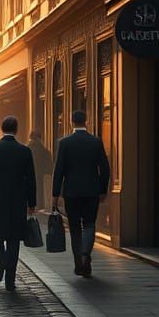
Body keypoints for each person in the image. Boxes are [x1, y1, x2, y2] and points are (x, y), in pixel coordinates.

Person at [0, 116, 37, 292]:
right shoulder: (24, 151)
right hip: (17, 199)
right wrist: (31, 203)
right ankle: (10, 281)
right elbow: (31, 180)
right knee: (13, 239)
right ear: (16, 130)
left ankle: (1, 263)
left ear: (1, 129)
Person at [52, 110, 111, 278]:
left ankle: (78, 260)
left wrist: (55, 195)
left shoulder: (65, 143)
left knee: (75, 227)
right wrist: (103, 190)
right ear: (87, 121)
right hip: (92, 191)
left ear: (71, 122)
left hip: (71, 192)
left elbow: (59, 170)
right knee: (90, 224)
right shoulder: (95, 142)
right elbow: (105, 169)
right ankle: (86, 253)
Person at [28, 130, 54, 205]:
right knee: (40, 202)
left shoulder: (25, 150)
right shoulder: (45, 151)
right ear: (40, 138)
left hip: (27, 180)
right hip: (41, 180)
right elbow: (50, 168)